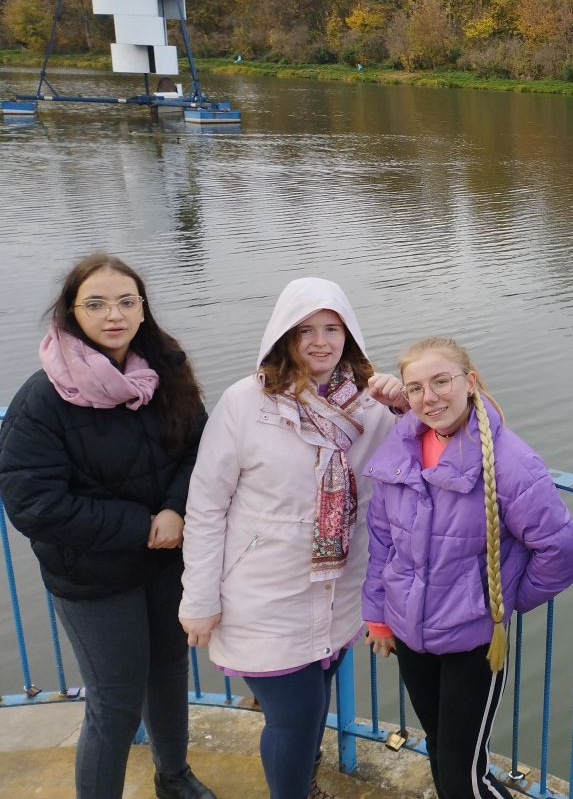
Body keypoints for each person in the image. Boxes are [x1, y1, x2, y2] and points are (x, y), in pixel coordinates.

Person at [0, 254, 213, 799]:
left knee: (169, 673)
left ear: (142, 310)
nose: (113, 315)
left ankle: (174, 777)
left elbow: (201, 451)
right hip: (92, 576)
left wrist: (176, 508)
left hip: (165, 562)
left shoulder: (166, 374)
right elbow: (33, 503)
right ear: (71, 313)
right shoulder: (45, 398)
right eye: (95, 304)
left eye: (125, 302)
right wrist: (142, 525)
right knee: (115, 700)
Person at [178, 278, 397, 799]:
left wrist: (407, 404)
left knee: (314, 703)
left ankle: (305, 785)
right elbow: (206, 505)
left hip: (339, 590)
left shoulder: (371, 407)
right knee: (296, 714)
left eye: (331, 329)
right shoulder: (245, 402)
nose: (320, 342)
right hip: (264, 593)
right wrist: (199, 599)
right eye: (305, 331)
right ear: (283, 335)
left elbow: (432, 450)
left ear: (349, 334)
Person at [360, 336, 573, 799]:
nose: (429, 397)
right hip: (409, 634)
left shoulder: (510, 463)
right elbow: (382, 541)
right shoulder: (400, 452)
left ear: (470, 382)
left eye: (441, 381)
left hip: (473, 643)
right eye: (416, 387)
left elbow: (561, 551)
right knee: (441, 750)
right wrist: (377, 617)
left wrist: (498, 601)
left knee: (463, 778)